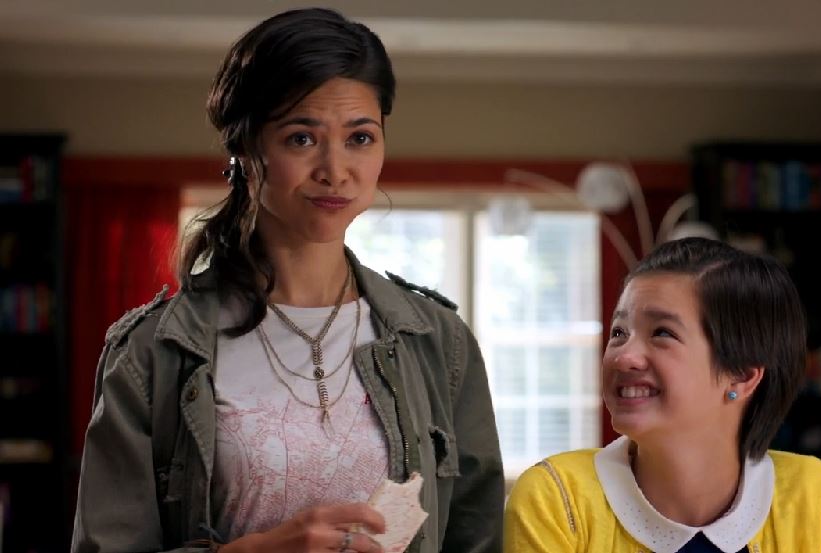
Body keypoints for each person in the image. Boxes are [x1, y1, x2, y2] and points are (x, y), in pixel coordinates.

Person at [71, 8, 503, 553]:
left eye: (360, 137)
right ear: (245, 152)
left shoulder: (439, 342)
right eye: (301, 138)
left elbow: (478, 537)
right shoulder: (152, 352)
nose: (335, 170)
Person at [504, 237, 821, 552]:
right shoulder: (557, 499)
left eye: (662, 332)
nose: (624, 356)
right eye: (619, 332)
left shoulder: (819, 499)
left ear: (741, 376)